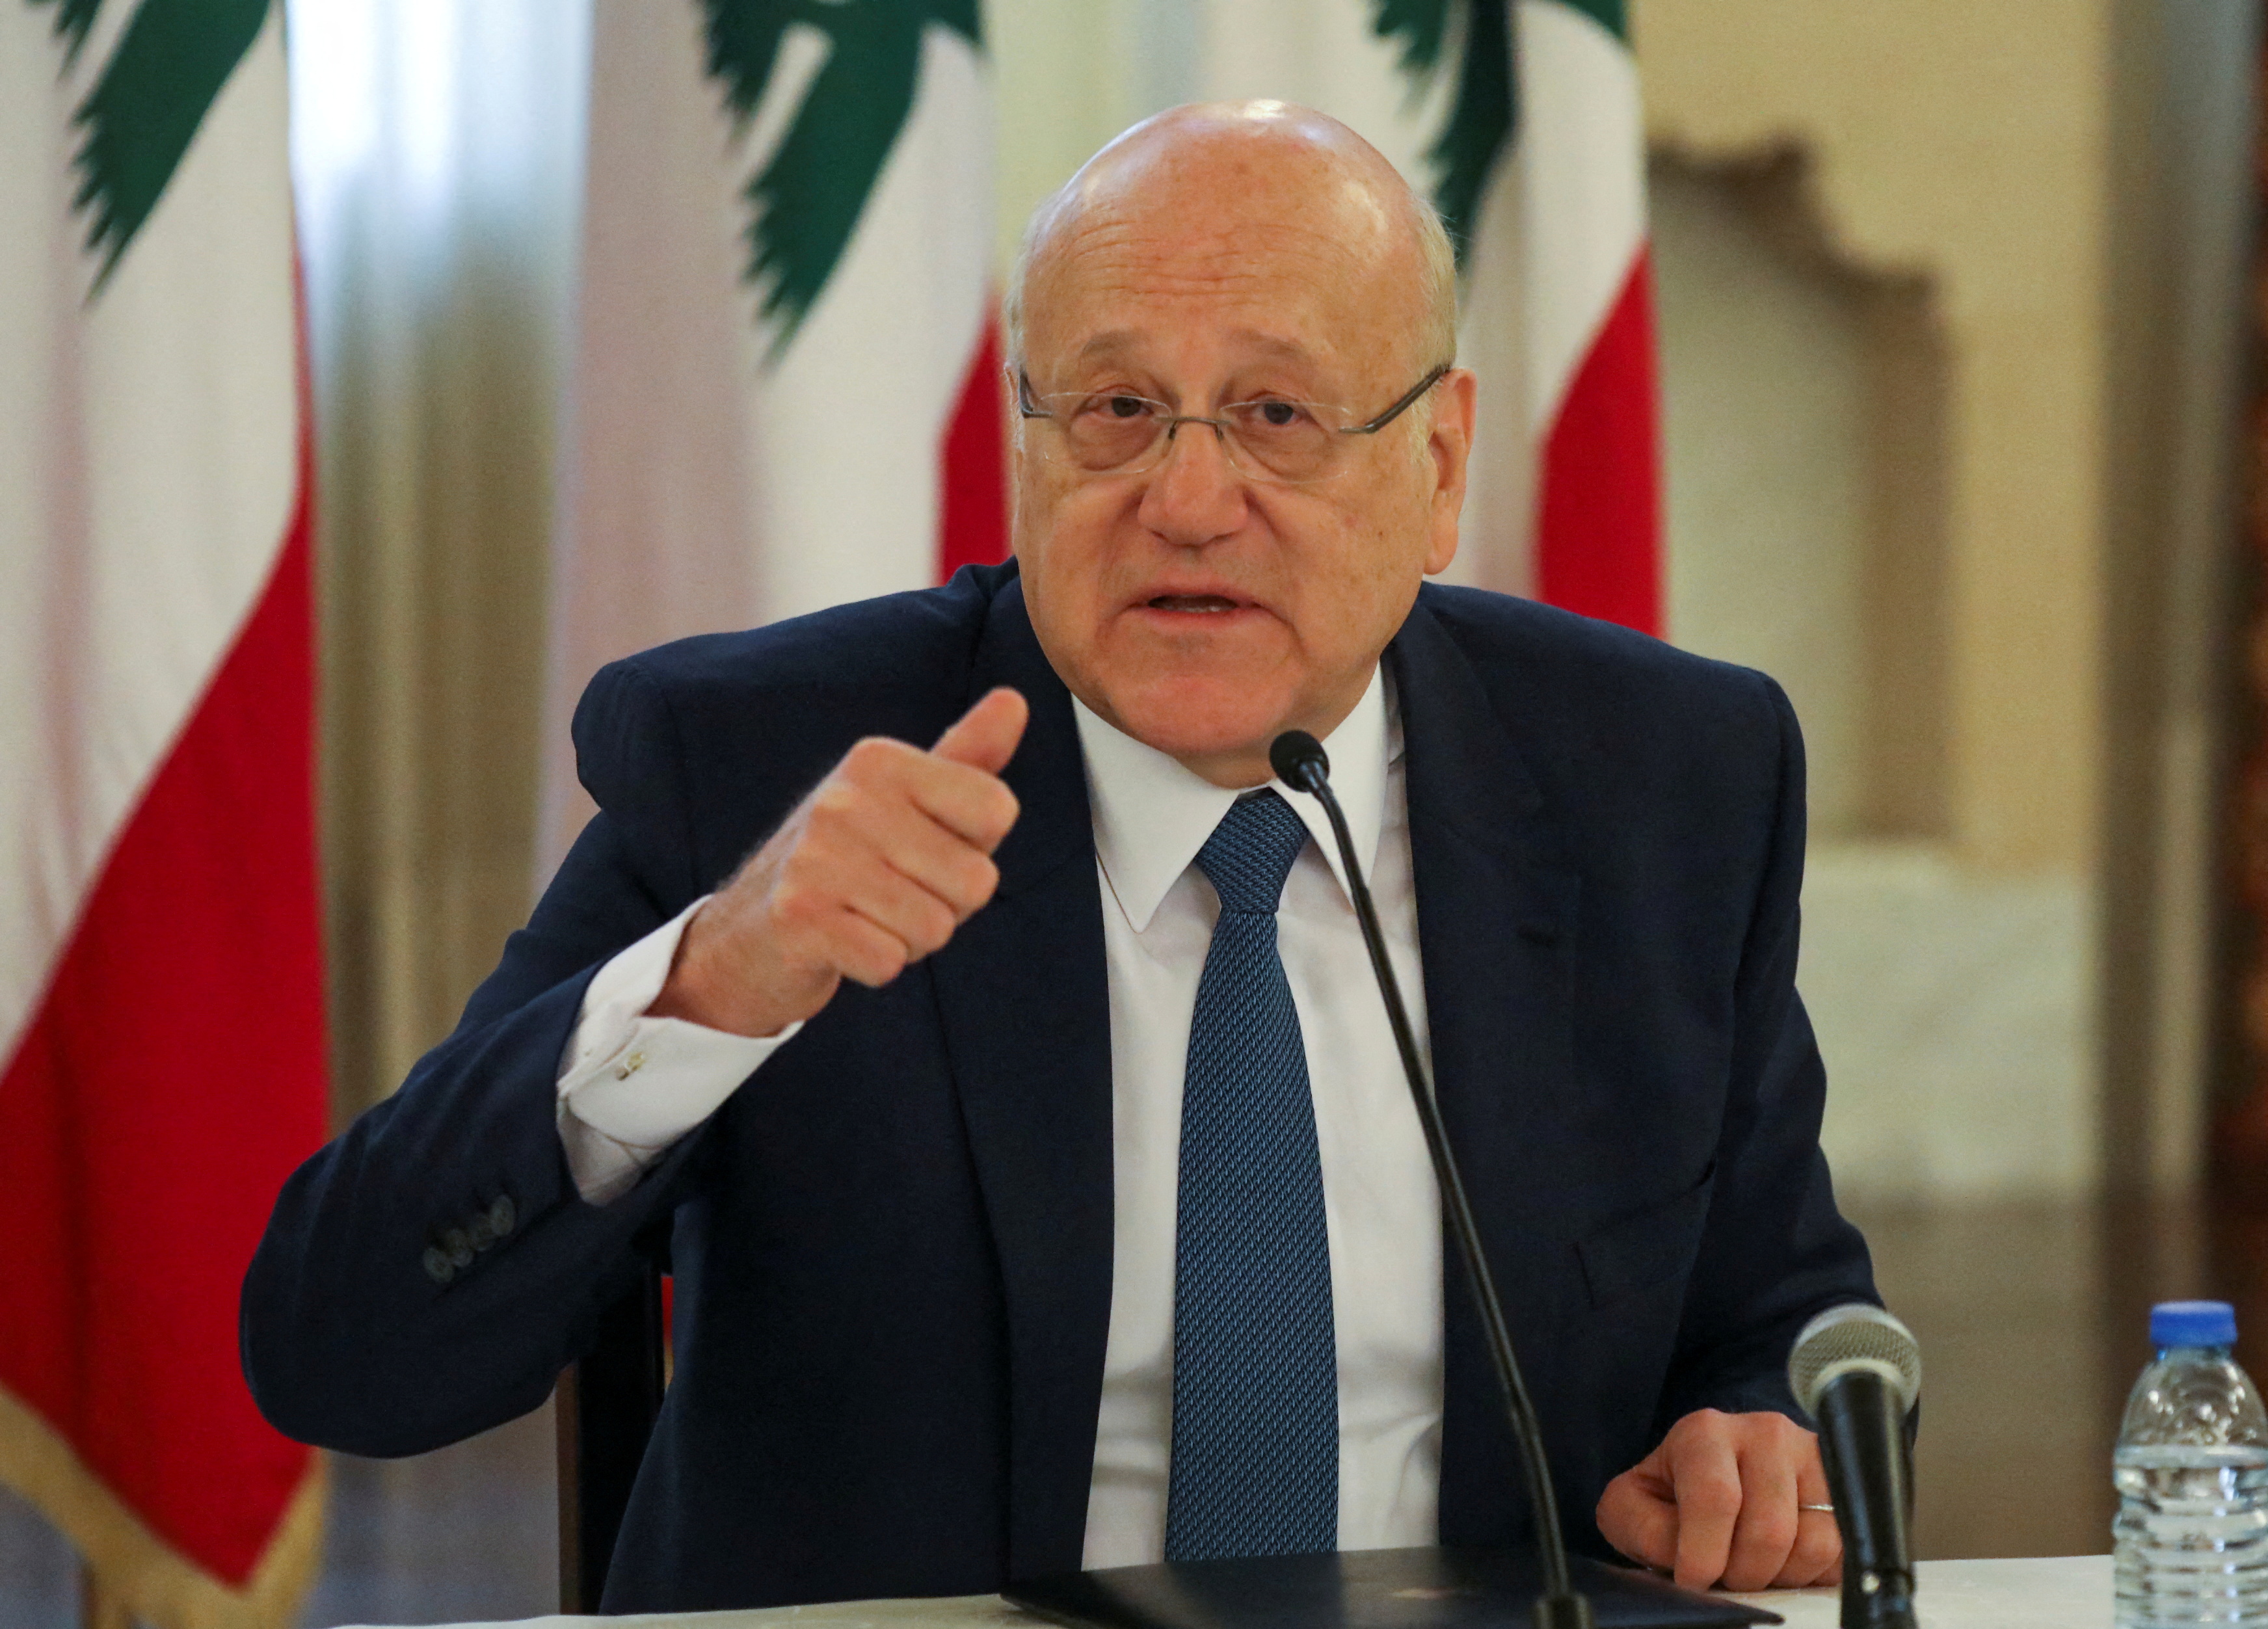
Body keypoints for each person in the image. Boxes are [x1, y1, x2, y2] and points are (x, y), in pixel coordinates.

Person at [243, 103, 1878, 1615]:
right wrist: (715, 976)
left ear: (1437, 465)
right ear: (1025, 443)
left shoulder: (1658, 780)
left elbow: (1787, 1317)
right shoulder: (766, 769)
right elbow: (344, 1353)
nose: (1183, 497)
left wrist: (1754, 1430)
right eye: (1112, 410)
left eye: (1275, 414)